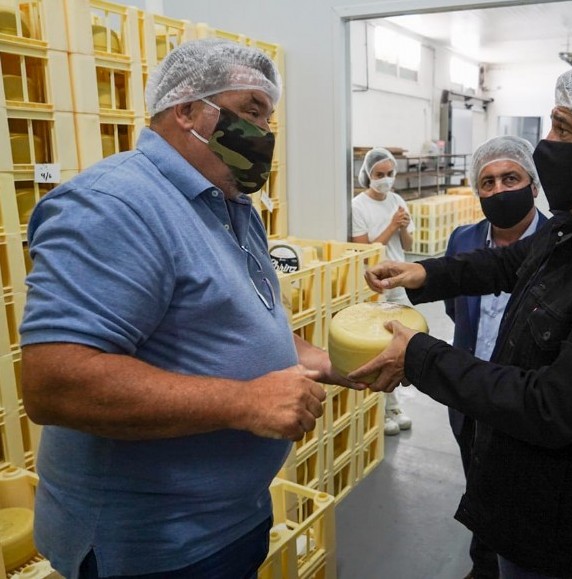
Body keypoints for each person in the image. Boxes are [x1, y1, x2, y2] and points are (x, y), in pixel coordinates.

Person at [353, 51, 572, 578]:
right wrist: (427, 275)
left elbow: (549, 407)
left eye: (564, 129)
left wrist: (420, 358)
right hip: (519, 501)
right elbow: (513, 261)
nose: (549, 144)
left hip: (564, 535)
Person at [20, 38, 361, 579]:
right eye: (251, 112)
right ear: (186, 110)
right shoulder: (116, 205)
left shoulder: (228, 203)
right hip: (153, 547)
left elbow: (228, 317)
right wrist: (245, 401)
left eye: (268, 118)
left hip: (231, 520)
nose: (264, 135)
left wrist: (313, 356)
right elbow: (56, 383)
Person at [445, 135, 548, 579]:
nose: (499, 189)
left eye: (511, 177)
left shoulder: (562, 242)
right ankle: (482, 565)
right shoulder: (463, 239)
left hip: (525, 397)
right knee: (478, 481)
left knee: (522, 493)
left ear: (534, 185)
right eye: (487, 182)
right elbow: (455, 307)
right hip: (469, 393)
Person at [351, 147, 415, 436]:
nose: (386, 180)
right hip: (373, 281)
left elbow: (409, 245)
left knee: (400, 340)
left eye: (390, 174)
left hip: (398, 279)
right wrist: (391, 225)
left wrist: (402, 227)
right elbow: (367, 248)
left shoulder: (398, 200)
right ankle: (380, 408)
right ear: (368, 175)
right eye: (380, 175)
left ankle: (394, 405)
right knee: (376, 344)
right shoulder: (358, 206)